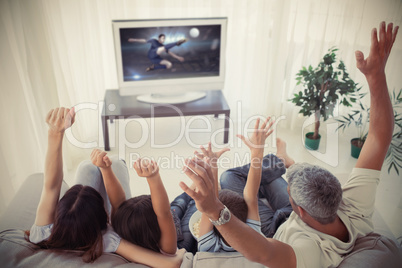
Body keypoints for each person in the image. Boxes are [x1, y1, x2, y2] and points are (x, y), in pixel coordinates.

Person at [179, 21, 399, 267]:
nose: (288, 190)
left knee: (231, 178)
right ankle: (284, 161)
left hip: (277, 227)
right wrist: (376, 76)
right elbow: (379, 138)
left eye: (290, 191)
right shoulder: (355, 204)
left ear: (300, 210)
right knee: (260, 181)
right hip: (298, 212)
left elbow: (263, 253)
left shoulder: (308, 250)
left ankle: (280, 162)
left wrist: (213, 208)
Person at [26, 107, 185, 267]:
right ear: (104, 219)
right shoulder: (106, 239)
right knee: (114, 162)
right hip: (158, 225)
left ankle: (104, 165)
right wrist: (181, 254)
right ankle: (112, 164)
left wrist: (55, 133)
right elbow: (121, 205)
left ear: (59, 214)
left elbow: (51, 186)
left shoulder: (43, 233)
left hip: (134, 222)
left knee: (87, 168)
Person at [90, 150, 178, 257]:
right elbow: (163, 213)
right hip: (179, 231)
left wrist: (105, 169)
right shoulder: (166, 249)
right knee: (183, 203)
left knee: (180, 203)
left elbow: (117, 202)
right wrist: (153, 177)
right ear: (157, 225)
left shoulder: (119, 231)